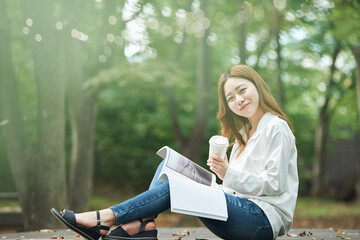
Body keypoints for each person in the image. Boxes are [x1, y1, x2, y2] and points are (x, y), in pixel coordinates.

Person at [51, 65, 298, 240]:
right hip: (242, 215)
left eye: (242, 90)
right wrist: (215, 181)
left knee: (177, 186)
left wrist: (228, 173)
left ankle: (105, 218)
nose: (239, 100)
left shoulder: (275, 127)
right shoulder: (243, 136)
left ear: (257, 86)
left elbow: (274, 185)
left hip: (261, 222)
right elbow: (237, 191)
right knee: (167, 169)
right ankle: (141, 226)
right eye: (231, 98)